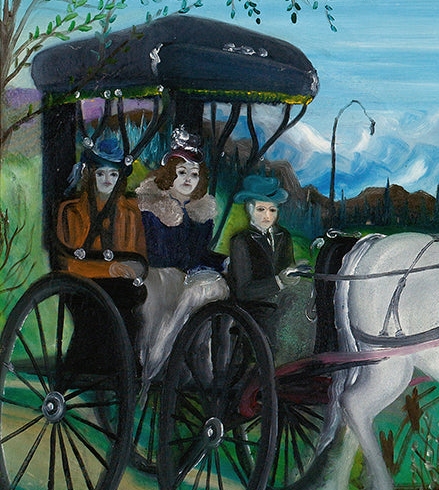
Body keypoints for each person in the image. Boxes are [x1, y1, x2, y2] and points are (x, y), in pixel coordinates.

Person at [136, 127, 228, 381]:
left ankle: (189, 358)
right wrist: (193, 265)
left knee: (207, 289)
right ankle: (155, 361)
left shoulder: (200, 211)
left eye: (194, 174)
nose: (188, 179)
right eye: (182, 172)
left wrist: (222, 261)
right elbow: (159, 252)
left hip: (186, 275)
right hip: (158, 273)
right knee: (170, 297)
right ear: (170, 174)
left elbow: (198, 254)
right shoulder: (154, 205)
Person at [56, 135, 147, 344]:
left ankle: (125, 362)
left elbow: (137, 256)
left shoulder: (130, 213)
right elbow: (70, 264)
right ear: (91, 175)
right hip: (84, 284)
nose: (107, 179)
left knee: (129, 307)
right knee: (98, 311)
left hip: (122, 286)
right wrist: (110, 269)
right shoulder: (71, 211)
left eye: (113, 174)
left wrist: (129, 269)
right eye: (101, 173)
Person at [228, 174, 313, 364]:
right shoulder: (241, 241)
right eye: (261, 209)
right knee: (288, 317)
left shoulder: (284, 235)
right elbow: (243, 291)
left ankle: (304, 360)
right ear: (249, 209)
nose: (267, 216)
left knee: (307, 298)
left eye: (272, 210)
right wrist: (279, 281)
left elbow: (287, 268)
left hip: (282, 300)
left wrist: (295, 272)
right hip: (254, 307)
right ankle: (282, 365)